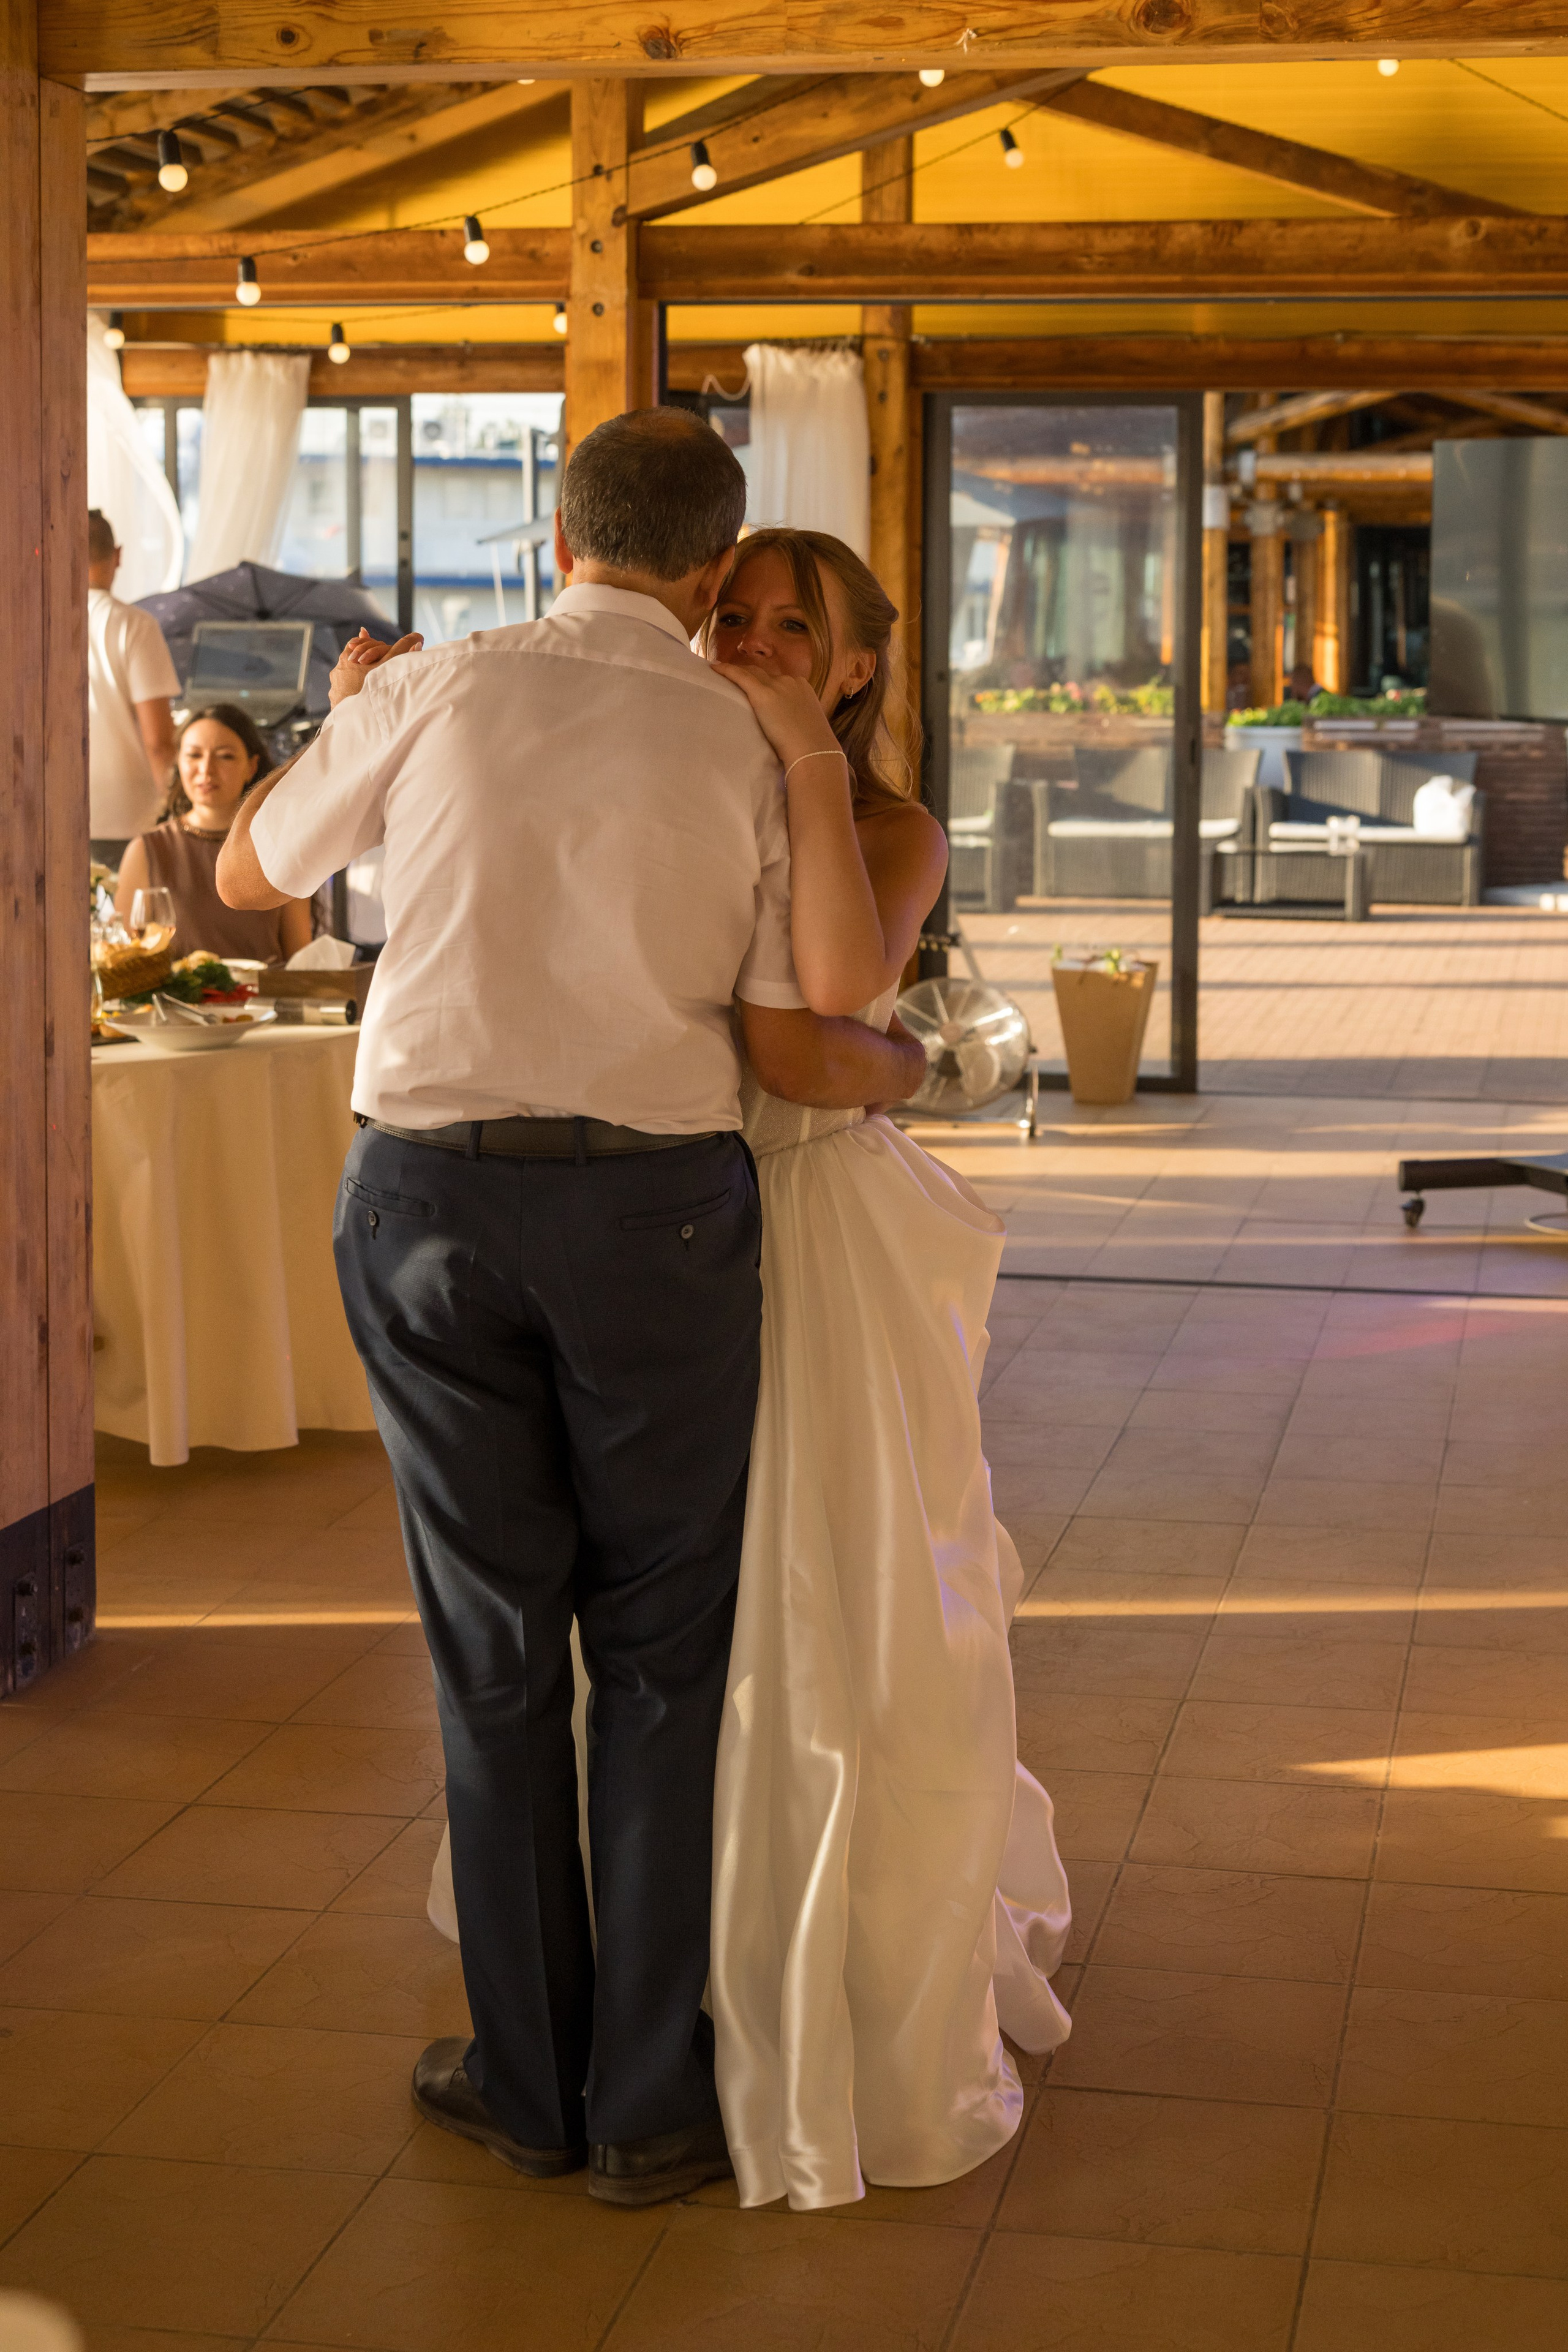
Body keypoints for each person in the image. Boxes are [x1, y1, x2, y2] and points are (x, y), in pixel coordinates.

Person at [213, 409, 925, 2209]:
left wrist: (355, 707)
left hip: (428, 1192)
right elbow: (800, 1008)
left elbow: (249, 878)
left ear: (555, 533)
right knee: (666, 1654)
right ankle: (652, 2101)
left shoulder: (441, 682)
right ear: (712, 565)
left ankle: (526, 2081)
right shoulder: (751, 741)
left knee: (494, 1653)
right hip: (654, 1216)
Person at [704, 530, 1072, 2211]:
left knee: (846, 1594)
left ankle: (862, 1972)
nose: (761, 643)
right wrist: (883, 1059)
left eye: (800, 628)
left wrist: (880, 1058)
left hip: (823, 1235)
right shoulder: (679, 782)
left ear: (855, 667)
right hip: (690, 1220)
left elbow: (819, 1019)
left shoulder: (886, 825)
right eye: (736, 617)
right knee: (690, 1606)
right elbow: (815, 1041)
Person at [116, 705, 314, 964]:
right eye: (194, 755)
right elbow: (124, 958)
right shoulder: (146, 850)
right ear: (179, 762)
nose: (206, 770)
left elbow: (300, 958)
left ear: (251, 767)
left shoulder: (277, 844)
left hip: (261, 1002)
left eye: (225, 756)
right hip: (176, 1003)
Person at [87, 508, 179, 866]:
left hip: (58, 809)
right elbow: (158, 741)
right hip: (129, 815)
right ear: (118, 555)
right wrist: (175, 813)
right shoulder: (135, 626)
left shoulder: (39, 622)